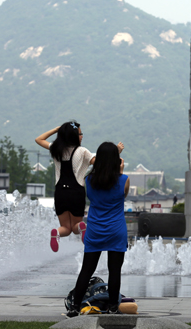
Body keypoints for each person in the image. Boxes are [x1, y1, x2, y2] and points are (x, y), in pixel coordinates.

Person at [35, 122, 124, 252]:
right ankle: (82, 227)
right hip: (76, 192)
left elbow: (39, 139)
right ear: (73, 136)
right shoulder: (82, 151)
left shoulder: (56, 149)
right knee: (76, 226)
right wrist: (116, 151)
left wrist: (56, 130)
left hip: (60, 192)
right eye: (80, 134)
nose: (82, 136)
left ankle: (56, 233)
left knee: (65, 227)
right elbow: (101, 163)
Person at [67, 142, 130, 317]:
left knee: (87, 270)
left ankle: (74, 307)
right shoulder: (124, 180)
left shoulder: (89, 181)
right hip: (116, 230)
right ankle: (112, 307)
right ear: (116, 161)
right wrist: (120, 172)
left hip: (95, 230)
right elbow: (121, 194)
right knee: (114, 270)